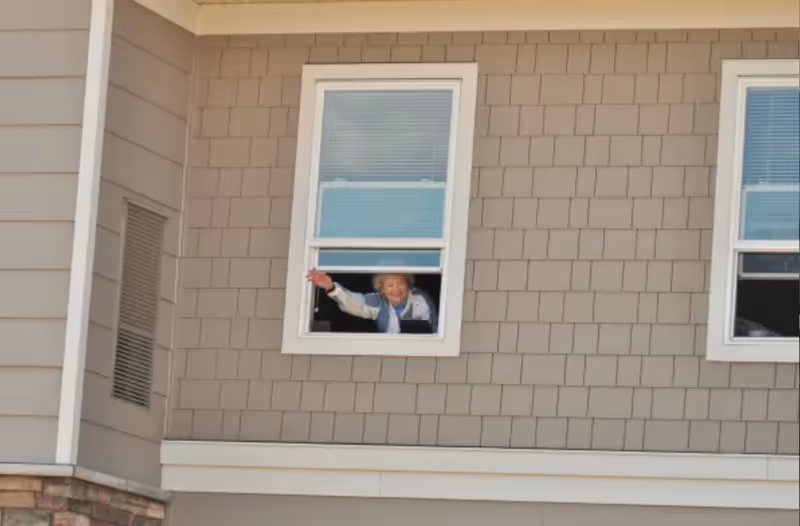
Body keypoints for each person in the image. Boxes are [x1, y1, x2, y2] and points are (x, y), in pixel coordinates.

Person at [306, 270, 437, 334]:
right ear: (382, 289)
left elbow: (434, 326)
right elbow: (354, 302)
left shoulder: (421, 299)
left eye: (400, 284)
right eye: (390, 285)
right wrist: (330, 287)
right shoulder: (378, 301)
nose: (396, 289)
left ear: (408, 285)